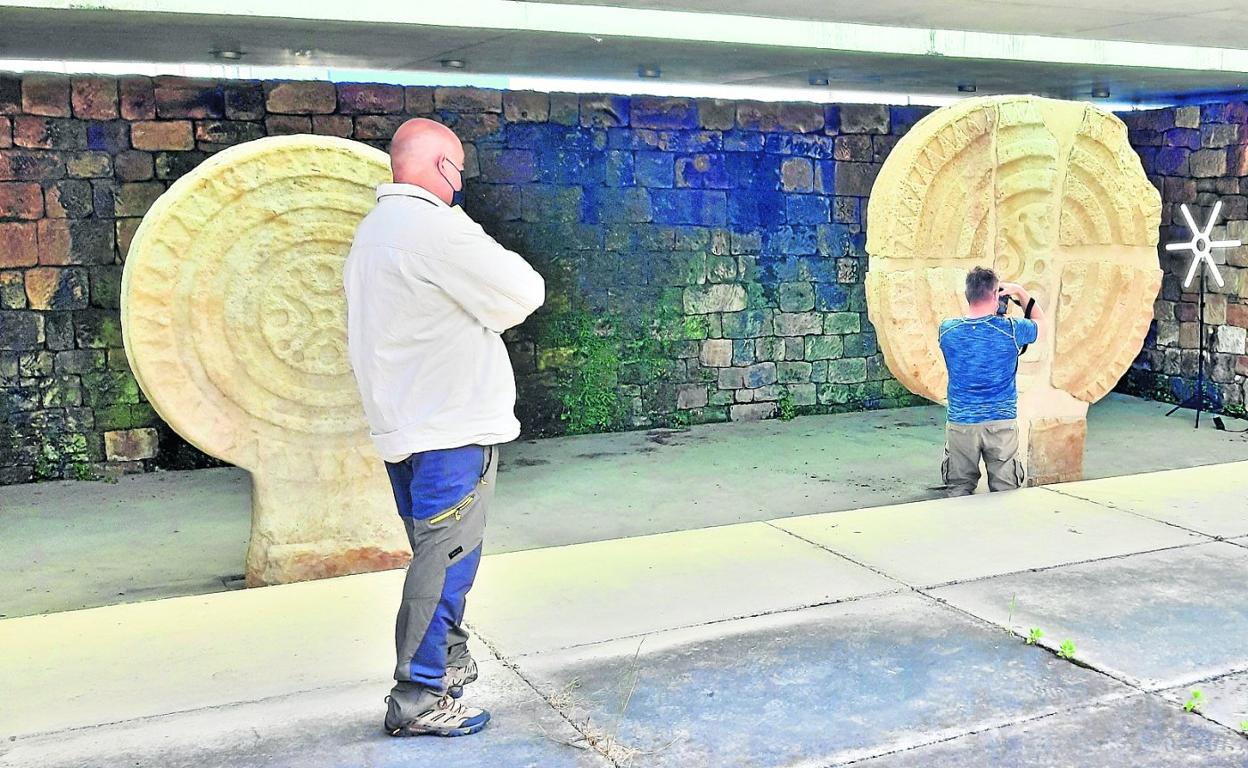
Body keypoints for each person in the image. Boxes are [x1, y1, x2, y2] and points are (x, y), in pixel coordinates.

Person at [343, 118, 545, 737]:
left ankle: (448, 666)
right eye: (458, 172)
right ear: (439, 168)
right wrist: (465, 226)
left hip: (406, 426)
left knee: (440, 551)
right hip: (449, 429)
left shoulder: (373, 234)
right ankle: (419, 695)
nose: (460, 186)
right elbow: (523, 290)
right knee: (446, 560)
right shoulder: (435, 228)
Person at [937, 267, 1045, 497]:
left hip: (961, 423)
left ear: (967, 294)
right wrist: (1020, 293)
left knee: (958, 489)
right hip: (1001, 422)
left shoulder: (947, 330)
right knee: (1005, 491)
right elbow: (1040, 323)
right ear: (996, 294)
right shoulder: (1012, 330)